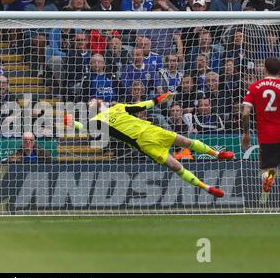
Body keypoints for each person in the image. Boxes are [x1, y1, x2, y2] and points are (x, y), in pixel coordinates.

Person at [88, 92, 235, 198]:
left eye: (92, 100)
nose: (90, 102)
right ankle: (207, 188)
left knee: (186, 142)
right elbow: (83, 127)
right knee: (175, 166)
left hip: (152, 130)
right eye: (90, 103)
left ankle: (217, 154)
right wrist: (71, 122)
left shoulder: (118, 107)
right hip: (143, 143)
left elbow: (142, 106)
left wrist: (162, 97)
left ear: (100, 100)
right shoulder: (97, 120)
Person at [242, 57, 280, 194]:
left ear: (264, 68)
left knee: (268, 168)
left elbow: (245, 113)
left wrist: (246, 133)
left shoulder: (254, 87)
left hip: (267, 135)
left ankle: (268, 180)